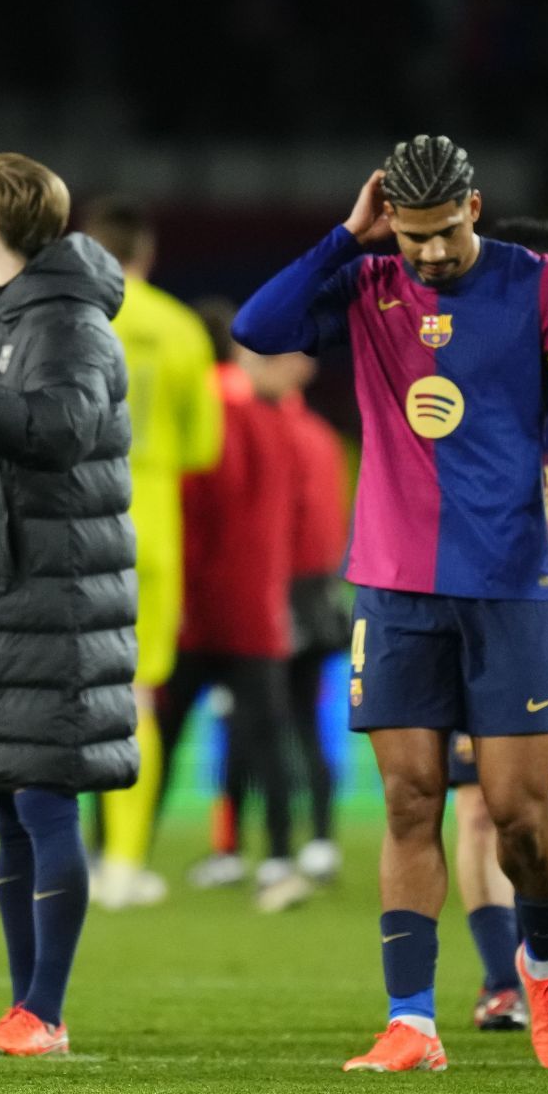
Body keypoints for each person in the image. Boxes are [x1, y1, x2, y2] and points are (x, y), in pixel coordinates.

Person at [235, 136, 548, 1073]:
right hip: (393, 584)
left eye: (443, 234)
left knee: (519, 817)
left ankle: (545, 969)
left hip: (508, 586)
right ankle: (412, 1021)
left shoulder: (539, 285)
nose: (426, 254)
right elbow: (260, 326)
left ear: (477, 209)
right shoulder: (369, 281)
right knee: (411, 798)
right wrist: (346, 237)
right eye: (410, 236)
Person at [0, 152, 135, 1056]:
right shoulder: (11, 314)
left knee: (47, 806)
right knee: (14, 809)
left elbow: (60, 430)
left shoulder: (69, 320)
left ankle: (44, 1012)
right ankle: (26, 1010)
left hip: (53, 597)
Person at [439, 218, 548, 1033]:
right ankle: (497, 976)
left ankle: (532, 956)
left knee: (539, 815)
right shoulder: (471, 381)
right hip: (481, 613)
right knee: (477, 806)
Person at [81, 199, 223, 909]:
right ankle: (121, 865)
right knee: (134, 697)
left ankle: (43, 858)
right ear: (145, 253)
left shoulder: (63, 312)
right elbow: (204, 447)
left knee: (48, 694)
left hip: (69, 524)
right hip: (149, 527)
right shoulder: (179, 326)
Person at [156, 318, 309, 912]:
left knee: (158, 733)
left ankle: (119, 853)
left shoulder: (219, 408)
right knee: (268, 737)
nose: (304, 368)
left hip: (203, 609)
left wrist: (182, 594)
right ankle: (278, 859)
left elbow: (196, 507)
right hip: (257, 610)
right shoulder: (277, 420)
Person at [279, 368, 351, 884]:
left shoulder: (278, 432)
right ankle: (321, 840)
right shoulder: (325, 437)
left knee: (262, 725)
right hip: (321, 592)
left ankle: (264, 848)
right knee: (306, 723)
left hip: (279, 590)